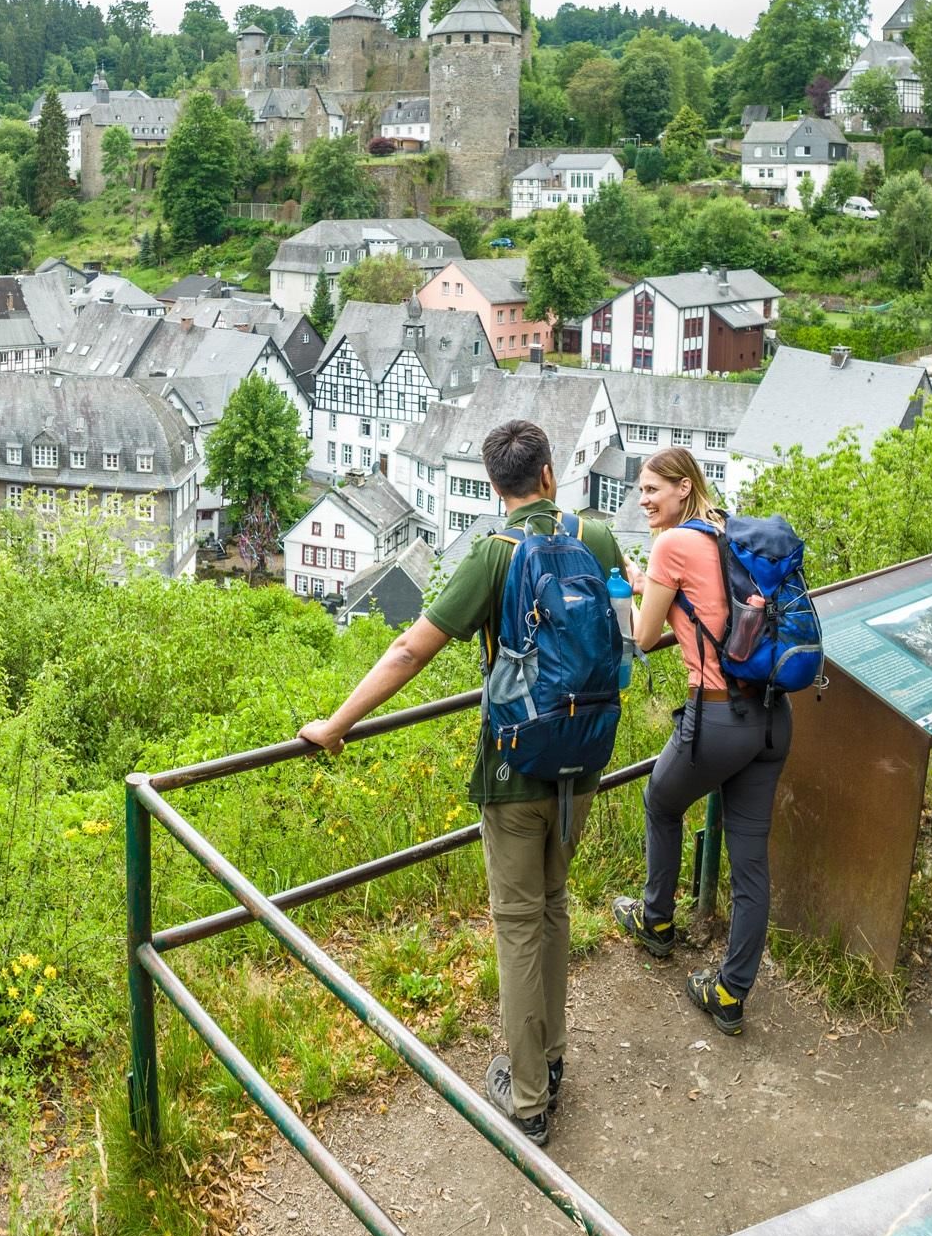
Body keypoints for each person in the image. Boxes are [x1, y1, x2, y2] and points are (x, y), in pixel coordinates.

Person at [300, 421, 623, 1145]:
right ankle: (556, 1055)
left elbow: (411, 648)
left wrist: (336, 722)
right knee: (554, 905)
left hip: (514, 765)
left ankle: (530, 1096)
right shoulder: (598, 539)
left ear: (494, 485)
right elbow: (624, 632)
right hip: (586, 757)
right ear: (548, 476)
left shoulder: (493, 554)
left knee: (516, 925)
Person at [611, 446, 791, 1038]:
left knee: (662, 802)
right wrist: (654, 584)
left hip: (716, 716)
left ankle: (657, 922)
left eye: (652, 489)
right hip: (771, 715)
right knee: (750, 862)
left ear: (684, 487)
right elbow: (707, 603)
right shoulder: (728, 533)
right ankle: (731, 993)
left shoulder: (671, 545)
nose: (643, 499)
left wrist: (636, 591)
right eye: (639, 490)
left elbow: (643, 633)